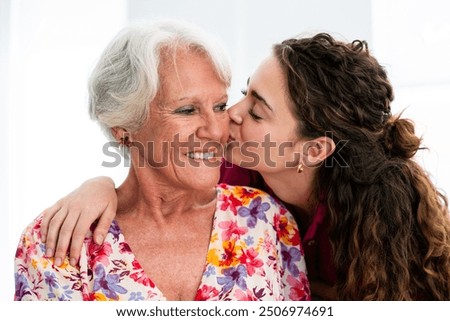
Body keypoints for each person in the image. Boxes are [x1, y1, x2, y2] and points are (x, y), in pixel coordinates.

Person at [38, 32, 450, 300]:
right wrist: (99, 184)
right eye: (241, 94)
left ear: (312, 151)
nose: (228, 115)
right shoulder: (235, 176)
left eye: (257, 111)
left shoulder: (379, 224)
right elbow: (155, 163)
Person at [14, 20, 311, 301]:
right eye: (186, 110)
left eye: (219, 105)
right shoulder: (57, 241)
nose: (216, 130)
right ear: (125, 128)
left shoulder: (266, 219)